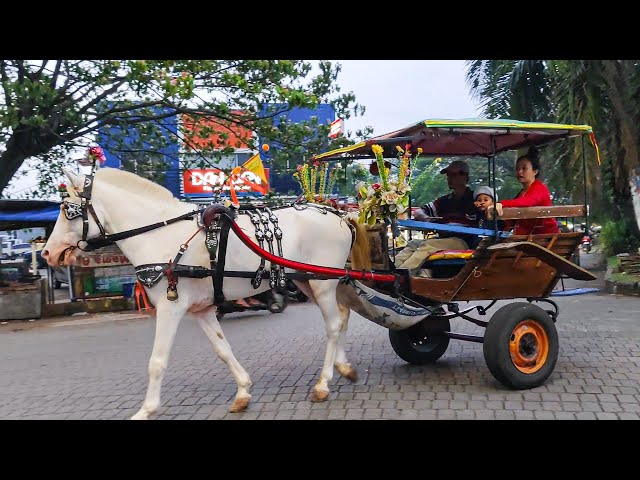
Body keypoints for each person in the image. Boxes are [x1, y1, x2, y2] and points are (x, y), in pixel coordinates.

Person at [395, 160, 477, 270]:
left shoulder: (474, 199)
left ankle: (402, 275)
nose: (449, 178)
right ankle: (390, 270)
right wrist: (426, 219)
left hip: (462, 242)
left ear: (465, 177)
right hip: (442, 240)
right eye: (448, 175)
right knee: (413, 243)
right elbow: (419, 211)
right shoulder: (444, 200)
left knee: (427, 246)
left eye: (453, 175)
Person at [494, 147, 559, 235]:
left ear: (535, 171)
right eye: (517, 168)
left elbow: (527, 202)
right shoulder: (521, 193)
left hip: (545, 238)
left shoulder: (539, 188)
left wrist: (502, 204)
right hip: (529, 238)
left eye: (524, 168)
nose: (520, 172)